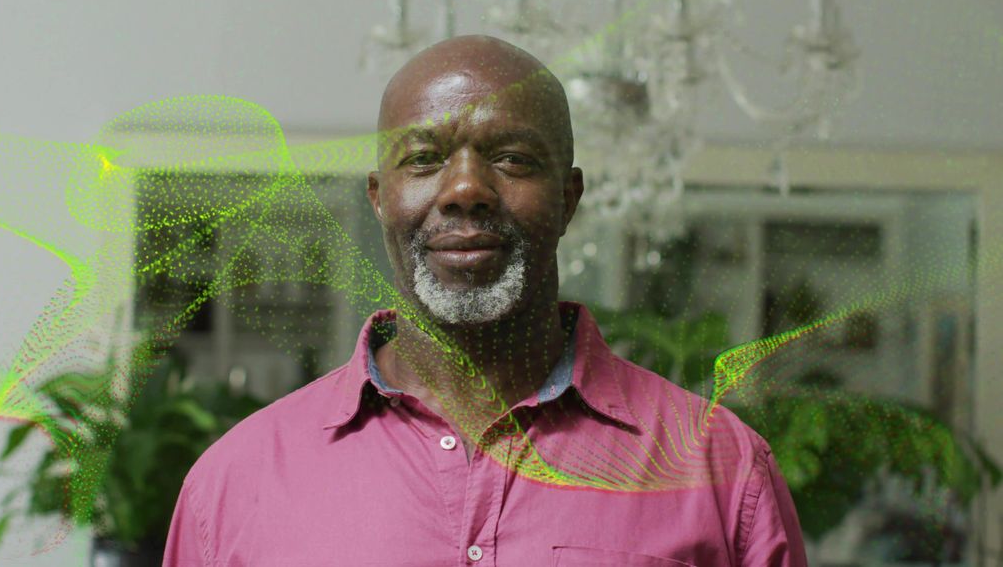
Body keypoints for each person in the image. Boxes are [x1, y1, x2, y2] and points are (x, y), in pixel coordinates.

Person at [163, 35, 807, 566]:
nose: (465, 188)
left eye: (512, 159)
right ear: (378, 197)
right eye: (423, 160)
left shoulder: (723, 469)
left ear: (568, 199)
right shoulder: (232, 484)